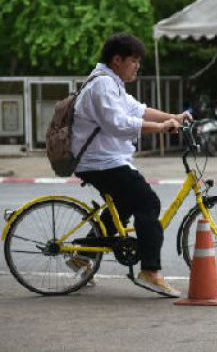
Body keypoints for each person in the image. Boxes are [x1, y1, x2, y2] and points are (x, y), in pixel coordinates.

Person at [70, 33, 191, 297]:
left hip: (107, 160)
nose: (137, 66)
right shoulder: (101, 86)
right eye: (133, 60)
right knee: (148, 203)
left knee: (125, 204)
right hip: (99, 162)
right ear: (117, 60)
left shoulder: (112, 83)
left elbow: (139, 111)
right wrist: (161, 127)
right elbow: (119, 124)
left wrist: (174, 117)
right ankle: (150, 271)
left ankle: (82, 256)